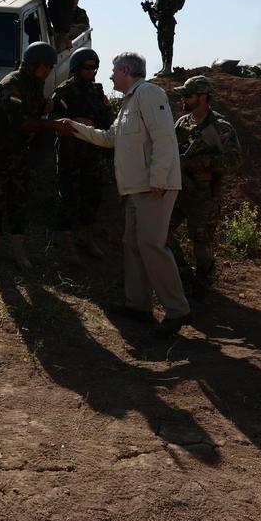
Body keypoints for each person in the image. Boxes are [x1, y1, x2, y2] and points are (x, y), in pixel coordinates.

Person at [59, 52, 192, 336]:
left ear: (126, 70)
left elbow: (164, 138)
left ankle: (177, 310)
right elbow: (109, 138)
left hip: (154, 187)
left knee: (151, 245)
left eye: (113, 70)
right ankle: (138, 306)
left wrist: (158, 179)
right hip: (136, 189)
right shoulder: (129, 103)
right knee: (132, 243)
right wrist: (74, 128)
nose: (109, 76)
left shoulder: (148, 93)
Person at [0, 41, 74, 268]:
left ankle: (18, 249)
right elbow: (22, 122)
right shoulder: (11, 84)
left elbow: (39, 110)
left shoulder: (34, 84)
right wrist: (54, 126)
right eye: (47, 66)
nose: (49, 71)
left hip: (19, 153)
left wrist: (52, 109)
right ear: (33, 64)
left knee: (19, 201)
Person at [168, 75, 242, 296]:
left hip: (204, 194)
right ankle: (183, 273)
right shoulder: (182, 123)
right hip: (179, 190)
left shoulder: (220, 126)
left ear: (202, 97)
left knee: (201, 241)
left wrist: (200, 163)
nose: (183, 98)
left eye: (187, 95)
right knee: (160, 230)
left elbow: (234, 160)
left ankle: (204, 283)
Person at [51, 47, 112, 264]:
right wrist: (76, 122)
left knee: (92, 195)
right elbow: (52, 119)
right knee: (68, 197)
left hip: (91, 153)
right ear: (76, 68)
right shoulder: (64, 91)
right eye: (86, 67)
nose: (91, 71)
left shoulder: (97, 92)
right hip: (70, 153)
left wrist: (94, 124)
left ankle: (85, 237)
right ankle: (66, 243)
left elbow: (107, 118)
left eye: (94, 68)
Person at [150, 0, 185, 76]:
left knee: (167, 45)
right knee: (161, 45)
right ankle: (164, 67)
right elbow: (156, 8)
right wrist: (151, 9)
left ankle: (168, 68)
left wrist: (161, 14)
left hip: (168, 21)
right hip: (161, 22)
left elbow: (172, 6)